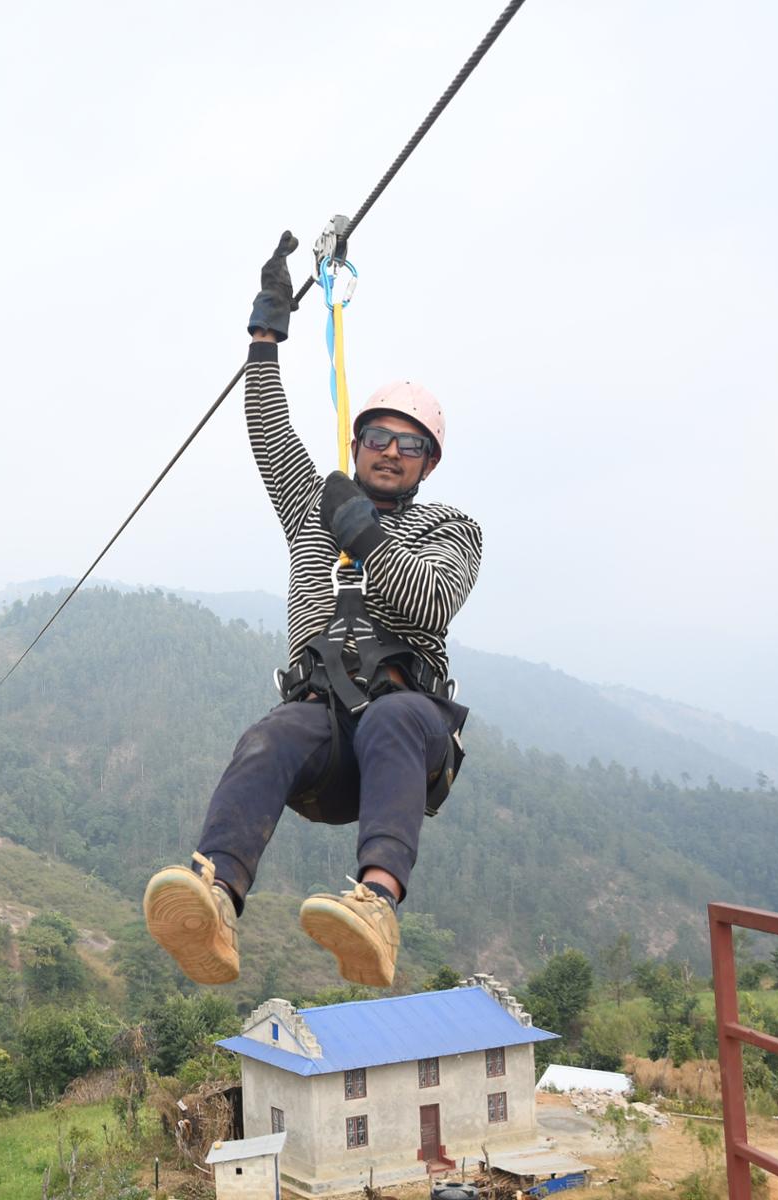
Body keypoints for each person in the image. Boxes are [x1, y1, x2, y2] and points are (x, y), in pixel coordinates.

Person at [141, 231, 481, 988]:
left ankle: (377, 907)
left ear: (428, 465)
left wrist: (362, 533)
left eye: (410, 445)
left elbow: (430, 600)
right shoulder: (311, 510)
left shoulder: (452, 529)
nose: (391, 451)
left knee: (392, 717)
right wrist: (265, 334)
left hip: (404, 731)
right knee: (271, 734)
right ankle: (216, 900)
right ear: (357, 443)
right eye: (378, 437)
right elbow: (269, 432)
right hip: (323, 734)